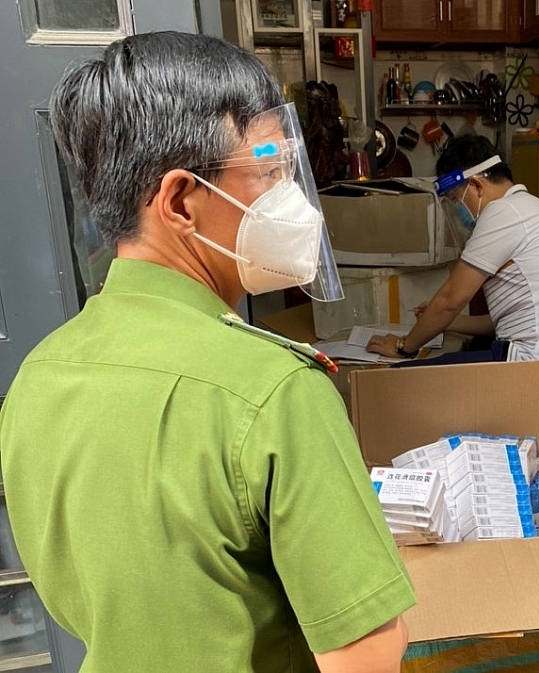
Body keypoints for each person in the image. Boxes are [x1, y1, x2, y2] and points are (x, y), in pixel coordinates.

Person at [0, 32, 415, 673]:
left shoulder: (39, 375)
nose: (291, 201)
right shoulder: (275, 390)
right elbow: (366, 656)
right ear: (178, 202)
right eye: (268, 173)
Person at [366, 135, 539, 393]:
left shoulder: (502, 212)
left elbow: (449, 300)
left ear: (477, 185)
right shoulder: (530, 209)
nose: (457, 210)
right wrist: (449, 322)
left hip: (535, 369)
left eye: (455, 199)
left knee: (393, 383)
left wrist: (404, 346)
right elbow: (505, 318)